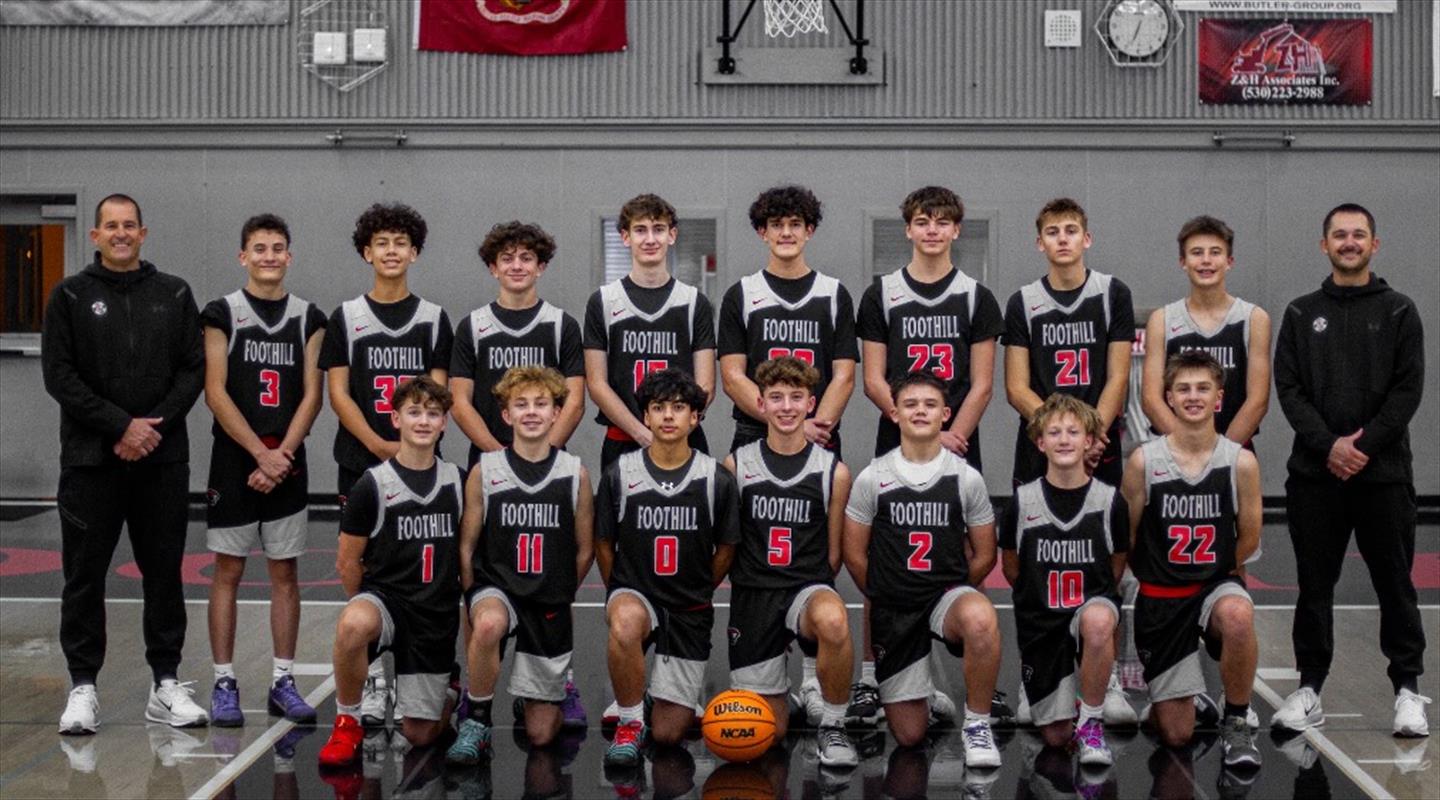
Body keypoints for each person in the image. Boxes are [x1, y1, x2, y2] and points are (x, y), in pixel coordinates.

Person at [45, 193, 208, 733]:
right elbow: (60, 376)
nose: (120, 233)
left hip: (161, 461)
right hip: (90, 463)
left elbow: (192, 371)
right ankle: (82, 687)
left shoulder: (175, 293)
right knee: (83, 577)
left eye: (129, 225)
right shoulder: (69, 295)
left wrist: (148, 430)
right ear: (95, 236)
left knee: (163, 573)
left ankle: (165, 684)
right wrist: (121, 426)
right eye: (110, 226)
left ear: (143, 233)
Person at [1271, 203, 1429, 737]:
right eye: (1339, 235)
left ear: (1374, 245)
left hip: (1383, 477)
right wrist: (1328, 447)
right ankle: (1309, 689)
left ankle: (1407, 690)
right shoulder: (1300, 313)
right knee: (1314, 586)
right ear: (1325, 245)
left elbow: (1408, 390)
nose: (1349, 242)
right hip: (1316, 478)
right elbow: (1289, 389)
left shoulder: (1400, 311)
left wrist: (1361, 446)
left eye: (1358, 234)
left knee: (1395, 584)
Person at [851, 185, 1003, 725]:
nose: (932, 229)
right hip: (901, 432)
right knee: (885, 554)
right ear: (909, 229)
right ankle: (872, 675)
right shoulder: (882, 294)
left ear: (957, 229)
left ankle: (970, 673)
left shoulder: (976, 297)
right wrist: (912, 423)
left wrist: (950, 434)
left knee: (957, 548)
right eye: (922, 220)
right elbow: (873, 379)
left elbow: (982, 383)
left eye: (942, 221)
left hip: (956, 435)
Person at [318, 202, 453, 725]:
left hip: (419, 462)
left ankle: (427, 659)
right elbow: (338, 392)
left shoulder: (433, 318)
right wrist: (379, 445)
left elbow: (436, 395)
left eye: (401, 243)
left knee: (420, 561)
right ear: (366, 252)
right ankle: (372, 669)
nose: (391, 251)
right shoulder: (346, 316)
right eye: (382, 243)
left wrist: (408, 448)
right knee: (360, 563)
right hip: (362, 459)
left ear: (414, 252)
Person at [201, 213, 326, 727]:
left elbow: (313, 396)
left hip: (287, 460)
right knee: (227, 571)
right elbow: (215, 391)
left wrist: (282, 456)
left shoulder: (308, 317)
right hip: (235, 459)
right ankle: (224, 681)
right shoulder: (221, 312)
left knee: (285, 572)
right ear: (243, 256)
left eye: (277, 248)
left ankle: (283, 680)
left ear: (289, 257)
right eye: (259, 248)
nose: (269, 256)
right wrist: (260, 454)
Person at [842, 372, 1002, 766]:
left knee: (981, 617)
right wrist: (885, 593)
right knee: (910, 736)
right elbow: (854, 554)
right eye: (910, 404)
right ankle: (923, 693)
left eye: (930, 405)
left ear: (945, 414)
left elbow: (985, 554)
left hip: (945, 599)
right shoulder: (872, 477)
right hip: (896, 607)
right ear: (894, 413)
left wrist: (956, 592)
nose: (920, 411)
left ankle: (977, 725)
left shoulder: (966, 477)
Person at [1120, 351, 1262, 769]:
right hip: (1162, 598)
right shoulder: (1144, 461)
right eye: (1183, 389)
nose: (1193, 397)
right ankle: (1185, 695)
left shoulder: (1240, 461)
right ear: (1168, 398)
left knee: (1237, 614)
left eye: (1203, 388)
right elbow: (1127, 537)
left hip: (1213, 587)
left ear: (1219, 398)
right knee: (1176, 734)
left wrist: (1217, 574)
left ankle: (1237, 720)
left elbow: (1249, 537)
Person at [446, 366, 594, 764]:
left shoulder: (575, 474)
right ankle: (477, 718)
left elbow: (584, 549)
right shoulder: (485, 471)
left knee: (542, 735)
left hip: (547, 598)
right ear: (506, 414)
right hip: (498, 589)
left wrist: (561, 590)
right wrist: (473, 597)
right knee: (488, 624)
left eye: (541, 404)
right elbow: (466, 546)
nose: (531, 412)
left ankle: (535, 697)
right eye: (521, 404)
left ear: (556, 413)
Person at [595, 368, 740, 767]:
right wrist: (619, 591)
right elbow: (604, 543)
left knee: (668, 734)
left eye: (679, 408)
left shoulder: (716, 479)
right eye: (658, 408)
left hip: (688, 606)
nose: (668, 416)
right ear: (646, 416)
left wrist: (699, 587)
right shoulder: (620, 473)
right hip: (637, 594)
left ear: (695, 417)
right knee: (625, 621)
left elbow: (727, 548)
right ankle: (629, 722)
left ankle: (648, 697)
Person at [318, 377, 463, 766]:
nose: (423, 421)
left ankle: (450, 687)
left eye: (432, 413)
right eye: (414, 412)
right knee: (353, 624)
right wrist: (364, 615)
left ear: (445, 422)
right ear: (396, 418)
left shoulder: (459, 481)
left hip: (433, 614)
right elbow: (347, 561)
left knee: (420, 735)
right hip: (388, 601)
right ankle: (347, 721)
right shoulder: (372, 484)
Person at [723, 356, 858, 768]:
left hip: (805, 589)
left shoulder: (833, 471)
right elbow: (729, 543)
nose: (786, 407)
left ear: (811, 404)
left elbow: (833, 555)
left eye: (796, 398)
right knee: (767, 734)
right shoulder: (736, 465)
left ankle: (833, 724)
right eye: (777, 397)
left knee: (833, 619)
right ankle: (789, 696)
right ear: (760, 404)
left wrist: (814, 591)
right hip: (754, 595)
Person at [1000, 394, 1128, 766]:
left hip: (1089, 614)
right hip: (1043, 625)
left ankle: (1091, 723)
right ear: (1040, 443)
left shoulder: (1110, 501)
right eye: (1054, 432)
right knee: (1055, 738)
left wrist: (1094, 606)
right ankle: (1059, 692)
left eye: (1073, 432)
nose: (1064, 439)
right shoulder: (1021, 502)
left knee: (1099, 619)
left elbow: (1116, 568)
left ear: (1090, 440)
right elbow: (1013, 569)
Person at [1004, 197, 1135, 488]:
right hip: (1040, 442)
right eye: (1053, 232)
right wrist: (1059, 436)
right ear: (1040, 243)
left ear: (1087, 239)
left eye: (1071, 230)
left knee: (1102, 515)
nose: (1062, 239)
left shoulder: (1112, 293)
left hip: (1098, 442)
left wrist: (1091, 435)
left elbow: (1118, 377)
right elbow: (1016, 388)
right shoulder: (1022, 301)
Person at [718, 185, 857, 456]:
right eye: (776, 225)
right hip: (756, 430)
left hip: (818, 431)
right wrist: (791, 426)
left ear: (809, 230)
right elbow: (732, 377)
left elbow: (845, 377)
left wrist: (812, 427)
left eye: (795, 224)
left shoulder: (833, 294)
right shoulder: (742, 293)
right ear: (763, 232)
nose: (785, 233)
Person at [583, 194, 716, 471]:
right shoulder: (604, 301)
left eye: (659, 229)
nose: (650, 239)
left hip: (685, 440)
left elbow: (705, 385)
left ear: (672, 235)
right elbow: (596, 383)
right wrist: (642, 433)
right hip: (624, 438)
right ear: (625, 237)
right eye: (640, 230)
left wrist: (673, 431)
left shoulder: (693, 302)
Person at [449, 221, 585, 464]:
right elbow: (460, 404)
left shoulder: (562, 325)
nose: (517, 266)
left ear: (540, 267)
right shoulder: (472, 326)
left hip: (549, 459)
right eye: (507, 258)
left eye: (526, 258)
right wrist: (500, 457)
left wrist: (541, 454)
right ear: (493, 268)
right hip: (488, 458)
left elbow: (574, 403)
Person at [1142, 215, 1271, 446]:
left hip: (1234, 448)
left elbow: (1258, 401)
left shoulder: (1253, 319)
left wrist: (1222, 454)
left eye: (1215, 252)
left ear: (1229, 261)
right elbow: (1151, 399)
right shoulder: (1162, 320)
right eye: (1197, 252)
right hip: (1174, 451)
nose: (1206, 261)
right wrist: (1189, 448)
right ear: (1183, 261)